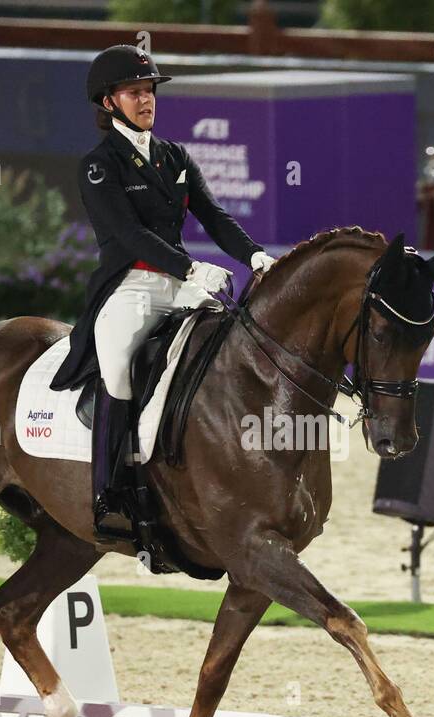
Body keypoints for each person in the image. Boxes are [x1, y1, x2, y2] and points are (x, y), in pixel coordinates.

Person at [49, 45, 276, 541]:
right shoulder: (99, 165)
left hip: (180, 285)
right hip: (130, 286)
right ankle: (109, 490)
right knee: (117, 361)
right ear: (109, 103)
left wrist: (255, 256)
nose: (146, 99)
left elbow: (214, 217)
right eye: (134, 92)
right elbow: (129, 234)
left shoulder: (174, 156)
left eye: (149, 91)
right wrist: (192, 267)